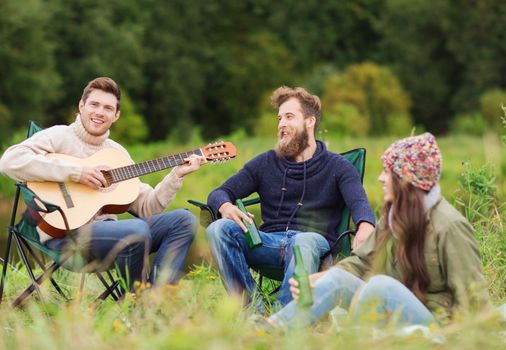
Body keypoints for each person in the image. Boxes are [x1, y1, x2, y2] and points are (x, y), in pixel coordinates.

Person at [0, 77, 206, 290]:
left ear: (116, 116)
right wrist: (76, 173)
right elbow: (9, 161)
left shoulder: (117, 154)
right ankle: (138, 300)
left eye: (108, 108)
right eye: (94, 104)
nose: (99, 112)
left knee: (183, 220)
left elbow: (148, 207)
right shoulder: (59, 136)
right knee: (136, 230)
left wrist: (177, 175)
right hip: (67, 235)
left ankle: (158, 295)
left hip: (111, 235)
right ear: (81, 106)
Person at [268, 133, 491, 328]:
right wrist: (316, 279)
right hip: (396, 314)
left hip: (437, 329)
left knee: (379, 285)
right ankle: (272, 330)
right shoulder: (394, 217)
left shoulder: (450, 227)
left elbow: (473, 301)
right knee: (338, 279)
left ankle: (354, 339)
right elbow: (362, 262)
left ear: (406, 180)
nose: (380, 178)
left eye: (387, 172)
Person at [206, 86, 375, 308]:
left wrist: (365, 226)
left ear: (309, 121)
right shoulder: (265, 162)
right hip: (268, 243)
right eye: (279, 118)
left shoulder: (338, 167)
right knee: (217, 229)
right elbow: (218, 193)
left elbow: (360, 203)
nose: (281, 124)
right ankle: (251, 311)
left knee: (303, 241)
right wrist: (225, 206)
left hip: (312, 243)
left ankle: (282, 318)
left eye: (289, 117)